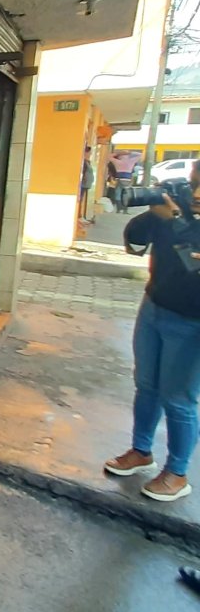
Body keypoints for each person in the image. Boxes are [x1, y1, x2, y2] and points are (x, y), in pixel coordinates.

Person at [105, 162, 200, 502]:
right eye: (194, 184)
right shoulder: (176, 207)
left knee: (179, 398)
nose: (197, 193)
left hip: (193, 323)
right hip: (154, 307)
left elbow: (194, 260)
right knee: (146, 385)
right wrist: (152, 214)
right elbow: (135, 238)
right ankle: (141, 450)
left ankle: (177, 472)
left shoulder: (183, 219)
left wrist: (175, 220)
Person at [79, 145, 96, 222]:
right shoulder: (83, 162)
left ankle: (81, 216)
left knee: (82, 200)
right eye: (89, 153)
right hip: (83, 185)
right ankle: (79, 216)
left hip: (86, 185)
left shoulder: (87, 162)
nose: (90, 154)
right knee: (80, 200)